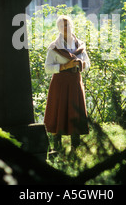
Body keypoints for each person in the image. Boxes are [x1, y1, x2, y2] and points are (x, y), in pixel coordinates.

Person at [44, 15, 90, 151]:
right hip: (60, 84)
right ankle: (57, 147)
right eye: (63, 25)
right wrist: (65, 66)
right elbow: (47, 68)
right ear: (58, 28)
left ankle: (75, 147)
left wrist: (80, 63)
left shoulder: (80, 46)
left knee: (75, 111)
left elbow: (88, 64)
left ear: (72, 26)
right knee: (58, 111)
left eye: (68, 24)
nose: (66, 27)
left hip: (75, 82)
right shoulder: (54, 47)